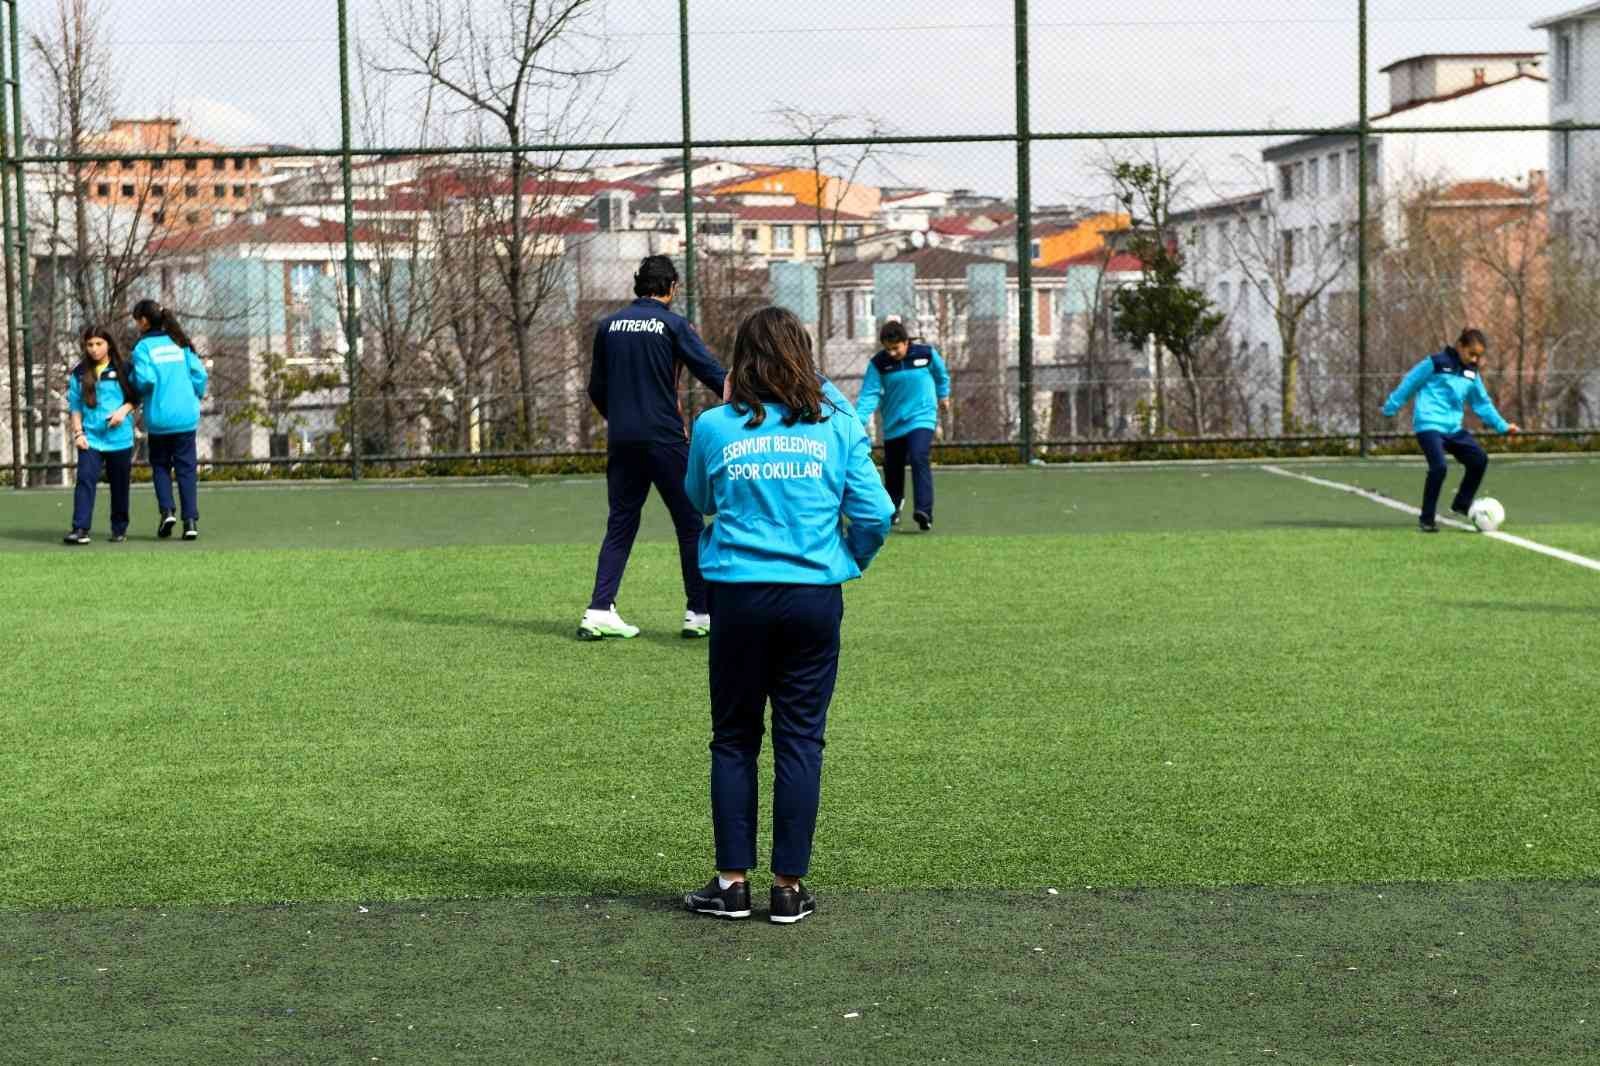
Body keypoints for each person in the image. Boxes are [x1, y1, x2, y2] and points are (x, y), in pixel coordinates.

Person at [681, 306, 894, 924]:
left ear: (738, 362)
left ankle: (730, 883)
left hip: (739, 597)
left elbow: (699, 498)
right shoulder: (836, 423)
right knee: (801, 738)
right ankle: (787, 888)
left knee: (735, 737)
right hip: (812, 598)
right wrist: (846, 558)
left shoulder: (715, 426)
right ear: (807, 359)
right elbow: (877, 514)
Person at [580, 255, 727, 641]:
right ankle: (699, 612)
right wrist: (751, 401)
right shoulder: (673, 325)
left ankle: (598, 608)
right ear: (672, 288)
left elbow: (596, 388)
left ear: (637, 285)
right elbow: (710, 372)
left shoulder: (608, 326)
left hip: (623, 438)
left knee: (621, 522)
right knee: (690, 522)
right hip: (664, 438)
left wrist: (621, 419)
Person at [1381, 328, 1520, 533]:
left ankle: (1461, 505)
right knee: (1439, 467)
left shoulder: (1472, 375)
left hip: (1453, 429)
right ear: (1460, 346)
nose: (1474, 359)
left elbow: (1482, 404)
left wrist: (1502, 426)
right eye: (1471, 353)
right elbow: (1410, 382)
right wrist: (1391, 406)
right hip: (1428, 425)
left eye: (1478, 356)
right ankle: (1427, 519)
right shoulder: (1435, 363)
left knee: (1479, 459)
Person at [856, 319, 950, 531]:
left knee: (919, 456)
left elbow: (941, 375)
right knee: (893, 467)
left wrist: (943, 395)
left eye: (895, 348)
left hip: (922, 417)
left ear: (906, 342)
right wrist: (856, 421)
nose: (891, 353)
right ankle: (894, 506)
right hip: (894, 422)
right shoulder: (879, 364)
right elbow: (869, 394)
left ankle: (924, 511)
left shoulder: (925, 354)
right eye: (887, 349)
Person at [129, 299, 208, 541]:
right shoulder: (179, 342)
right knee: (186, 469)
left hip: (161, 418)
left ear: (143, 321)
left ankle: (167, 511)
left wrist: (133, 384)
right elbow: (200, 374)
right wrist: (195, 393)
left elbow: (146, 380)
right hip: (185, 415)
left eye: (136, 321)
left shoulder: (143, 348)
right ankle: (191, 521)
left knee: (161, 466)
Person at [62, 327, 139, 546]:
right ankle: (80, 528)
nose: (94, 349)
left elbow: (135, 399)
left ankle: (119, 528)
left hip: (120, 438)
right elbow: (75, 407)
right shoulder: (79, 373)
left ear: (109, 345)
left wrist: (122, 412)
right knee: (85, 480)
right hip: (91, 438)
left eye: (99, 344)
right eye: (90, 345)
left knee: (120, 485)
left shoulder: (125, 369)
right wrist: (78, 433)